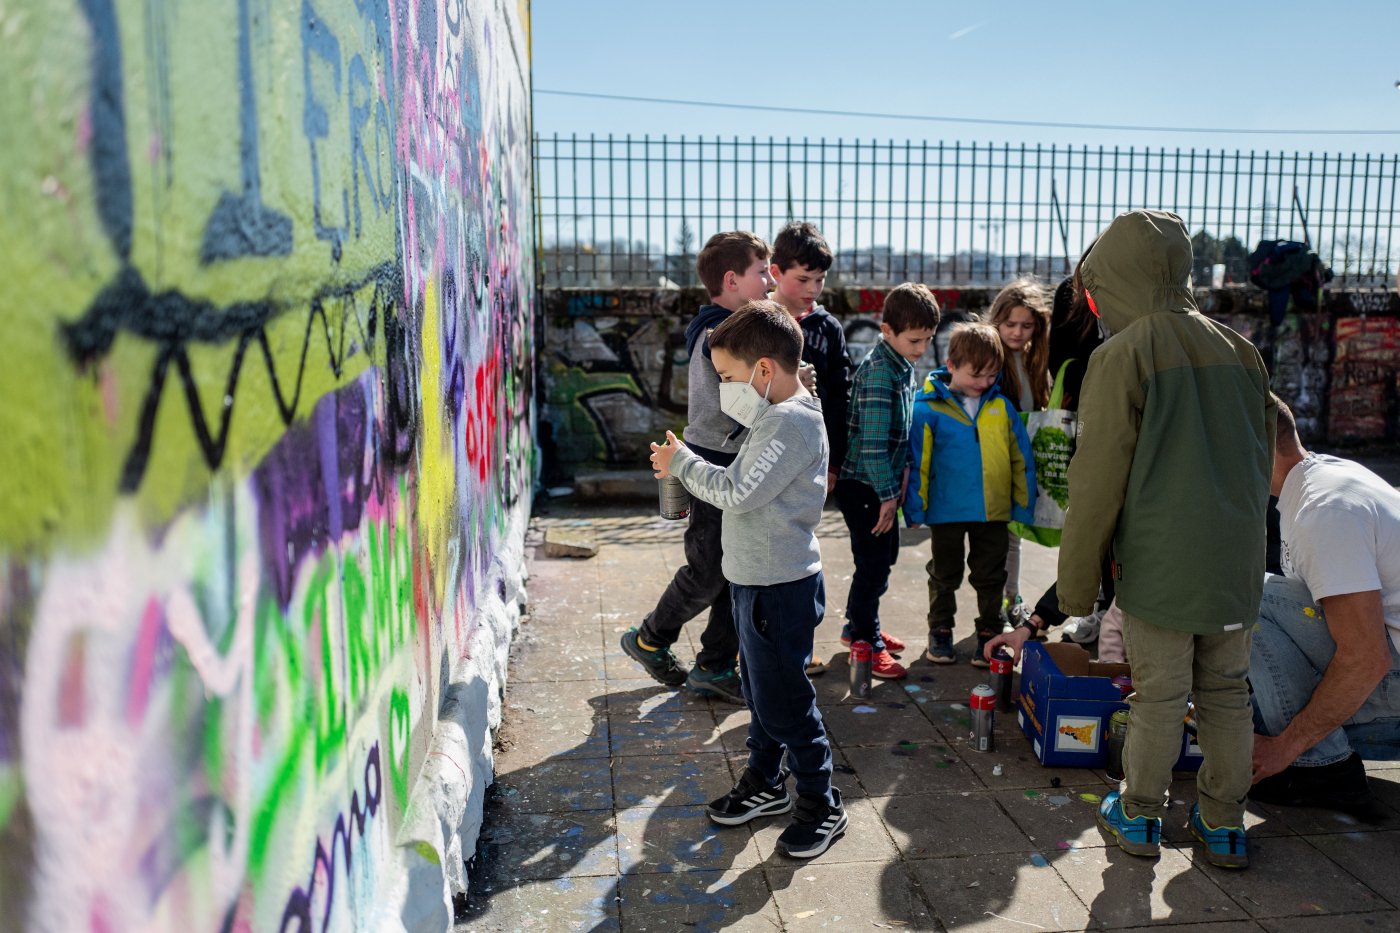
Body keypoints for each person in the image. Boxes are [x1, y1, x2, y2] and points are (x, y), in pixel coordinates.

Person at [992, 209, 1276, 870]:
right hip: (1235, 561)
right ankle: (1225, 823)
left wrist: (1079, 583)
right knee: (1228, 693)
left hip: (1159, 563)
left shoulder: (1123, 354)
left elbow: (1097, 482)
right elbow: (1261, 450)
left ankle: (1142, 814)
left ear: (1110, 281)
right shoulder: (1241, 350)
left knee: (1158, 696)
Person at [649, 300, 847, 858]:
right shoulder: (776, 414)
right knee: (761, 695)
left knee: (787, 704)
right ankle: (764, 783)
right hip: (754, 583)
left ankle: (821, 803)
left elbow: (737, 491)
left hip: (778, 590)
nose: (722, 389)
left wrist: (684, 464)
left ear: (764, 370)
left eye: (728, 377)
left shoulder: (789, 423)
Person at [620, 232, 774, 703]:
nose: (771, 281)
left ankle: (714, 666)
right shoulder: (718, 333)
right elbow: (745, 397)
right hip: (714, 461)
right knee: (708, 570)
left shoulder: (732, 328)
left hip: (737, 459)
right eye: (761, 272)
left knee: (736, 567)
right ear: (732, 280)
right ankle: (650, 637)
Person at [1249, 395, 1400, 817]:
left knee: (1245, 594)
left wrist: (1284, 748)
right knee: (1253, 707)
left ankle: (1322, 770)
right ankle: (1314, 755)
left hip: (1390, 674)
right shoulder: (1325, 475)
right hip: (1391, 665)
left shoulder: (1323, 510)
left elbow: (1367, 658)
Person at [904, 322, 1035, 668]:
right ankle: (941, 629)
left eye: (991, 375)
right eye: (976, 374)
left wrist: (1022, 505)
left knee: (991, 575)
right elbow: (918, 463)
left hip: (993, 511)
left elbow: (1020, 459)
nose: (983, 382)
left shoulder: (1001, 408)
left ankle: (989, 632)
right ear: (951, 365)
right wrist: (914, 509)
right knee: (944, 574)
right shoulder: (927, 408)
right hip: (945, 511)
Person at [833, 284, 941, 680]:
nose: (922, 348)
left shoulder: (900, 365)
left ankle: (859, 627)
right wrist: (888, 497)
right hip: (866, 486)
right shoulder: (880, 373)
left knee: (883, 558)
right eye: (914, 340)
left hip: (879, 486)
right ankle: (864, 640)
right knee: (873, 564)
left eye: (928, 339)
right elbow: (874, 447)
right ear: (886, 330)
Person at [769, 221, 852, 676]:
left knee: (801, 557)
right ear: (776, 271)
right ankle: (752, 648)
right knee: (761, 556)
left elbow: (839, 398)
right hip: (761, 457)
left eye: (820, 280)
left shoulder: (827, 327)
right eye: (803, 279)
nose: (812, 289)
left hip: (811, 462)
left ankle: (799, 644)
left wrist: (833, 461)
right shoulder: (758, 322)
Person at [985, 278, 1051, 624]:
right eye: (1010, 323)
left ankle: (1010, 599)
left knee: (1014, 538)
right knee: (998, 541)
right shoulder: (990, 358)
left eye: (1027, 325)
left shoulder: (1034, 361)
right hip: (995, 463)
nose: (1017, 332)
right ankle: (999, 604)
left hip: (1022, 464)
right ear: (996, 320)